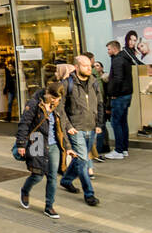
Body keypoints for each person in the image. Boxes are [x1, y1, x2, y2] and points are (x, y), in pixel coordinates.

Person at [15, 83, 71, 220]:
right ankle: (25, 190)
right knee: (37, 175)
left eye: (58, 99)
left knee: (52, 176)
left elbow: (62, 126)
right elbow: (24, 123)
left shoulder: (58, 104)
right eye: (54, 98)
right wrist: (21, 144)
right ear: (48, 94)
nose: (56, 101)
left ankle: (49, 206)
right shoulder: (34, 103)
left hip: (53, 144)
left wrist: (68, 147)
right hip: (37, 141)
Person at [57, 55, 103, 207]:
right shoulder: (67, 84)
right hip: (76, 129)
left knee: (79, 158)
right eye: (85, 66)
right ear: (76, 67)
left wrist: (99, 123)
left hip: (91, 127)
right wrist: (68, 126)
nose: (89, 68)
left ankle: (66, 180)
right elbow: (60, 108)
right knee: (83, 161)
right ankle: (89, 194)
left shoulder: (94, 82)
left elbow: (100, 102)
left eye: (90, 65)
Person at [105, 39, 133, 159]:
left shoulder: (117, 60)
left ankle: (119, 150)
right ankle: (124, 148)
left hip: (120, 95)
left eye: (109, 49)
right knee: (123, 122)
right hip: (126, 94)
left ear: (115, 49)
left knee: (116, 122)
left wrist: (113, 93)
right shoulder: (125, 59)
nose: (108, 52)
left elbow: (118, 78)